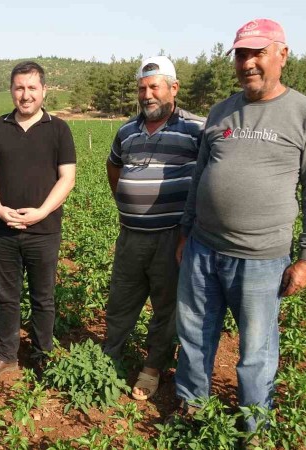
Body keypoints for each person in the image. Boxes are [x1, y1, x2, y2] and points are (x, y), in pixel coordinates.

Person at [175, 19, 306, 431]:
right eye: (241, 54)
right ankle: (192, 410)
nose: (248, 63)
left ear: (282, 54)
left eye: (257, 53)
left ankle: (253, 424)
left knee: (256, 349)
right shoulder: (222, 110)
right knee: (194, 334)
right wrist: (186, 230)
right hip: (203, 248)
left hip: (261, 259)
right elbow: (200, 176)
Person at [102, 56, 205, 400]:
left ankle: (152, 367)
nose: (147, 94)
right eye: (142, 88)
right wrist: (127, 203)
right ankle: (110, 358)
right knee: (120, 301)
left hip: (171, 237)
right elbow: (113, 165)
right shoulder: (127, 131)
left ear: (173, 88)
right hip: (130, 235)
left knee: (166, 306)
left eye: (154, 87)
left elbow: (211, 176)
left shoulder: (195, 129)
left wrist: (188, 229)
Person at [0, 61, 76, 380]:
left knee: (43, 296)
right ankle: (7, 354)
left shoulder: (59, 129)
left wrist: (41, 212)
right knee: (7, 296)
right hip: (4, 229)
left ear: (44, 91)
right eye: (19, 87)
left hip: (44, 230)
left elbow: (67, 178)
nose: (26, 94)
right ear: (11, 91)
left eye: (32, 87)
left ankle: (42, 353)